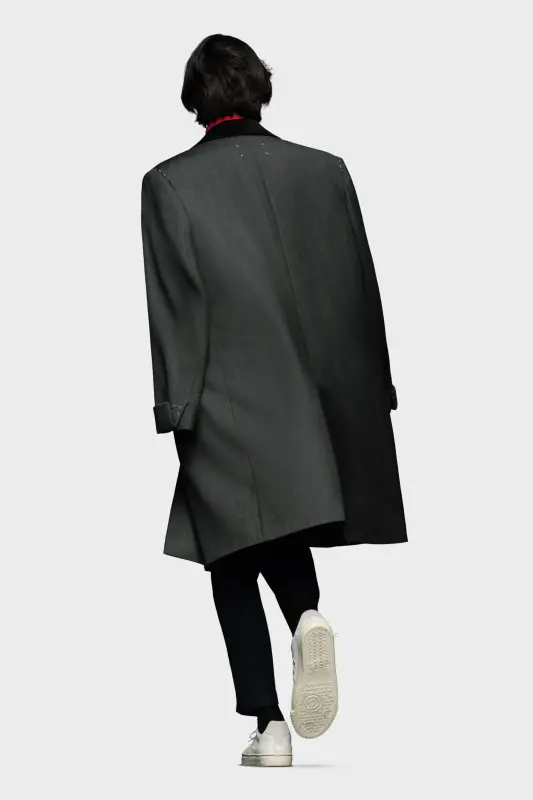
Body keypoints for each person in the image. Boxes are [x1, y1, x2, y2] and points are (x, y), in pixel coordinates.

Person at [140, 33, 408, 767]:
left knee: (228, 548)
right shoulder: (326, 171)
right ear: (260, 88)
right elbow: (360, 283)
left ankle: (270, 724)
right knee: (274, 525)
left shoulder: (168, 184)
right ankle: (306, 618)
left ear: (195, 99)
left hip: (223, 388)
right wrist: (375, 386)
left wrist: (174, 406)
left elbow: (175, 303)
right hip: (316, 392)